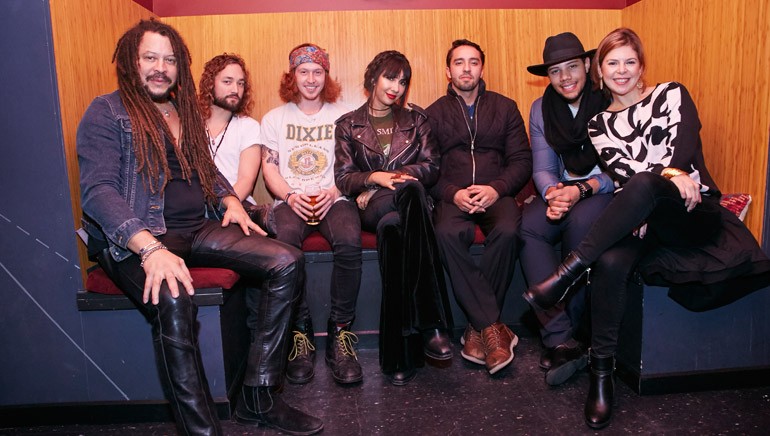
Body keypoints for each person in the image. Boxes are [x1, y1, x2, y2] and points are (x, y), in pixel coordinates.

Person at [77, 19, 322, 435]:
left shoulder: (183, 110)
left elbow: (206, 171)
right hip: (139, 237)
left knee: (286, 260)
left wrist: (228, 199)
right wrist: (149, 249)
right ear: (130, 63)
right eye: (150, 58)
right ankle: (202, 430)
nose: (160, 68)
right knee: (173, 297)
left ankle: (258, 397)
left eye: (169, 60)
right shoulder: (106, 111)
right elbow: (98, 192)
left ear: (180, 66)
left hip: (198, 228)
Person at [524, 27, 770, 429]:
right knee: (611, 260)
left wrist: (672, 173)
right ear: (600, 70)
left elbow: (682, 148)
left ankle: (565, 273)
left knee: (644, 184)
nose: (622, 71)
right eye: (613, 63)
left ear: (642, 66)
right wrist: (654, 190)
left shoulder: (672, 93)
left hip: (692, 210)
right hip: (643, 218)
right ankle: (601, 377)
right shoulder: (599, 126)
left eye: (630, 62)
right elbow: (624, 176)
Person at [334, 50, 453, 386]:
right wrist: (374, 180)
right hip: (372, 205)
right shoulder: (347, 125)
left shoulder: (418, 120)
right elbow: (343, 177)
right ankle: (432, 322)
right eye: (390, 78)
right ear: (373, 78)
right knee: (407, 198)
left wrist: (396, 176)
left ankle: (396, 356)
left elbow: (431, 167)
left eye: (403, 82)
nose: (396, 88)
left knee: (394, 230)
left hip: (407, 209)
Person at [425, 40, 531, 375]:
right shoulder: (433, 114)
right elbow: (428, 169)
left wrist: (496, 188)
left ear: (481, 68)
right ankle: (494, 328)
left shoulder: (505, 107)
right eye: (459, 62)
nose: (466, 68)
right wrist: (452, 193)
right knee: (444, 232)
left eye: (473, 62)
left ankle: (477, 330)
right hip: (453, 195)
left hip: (495, 193)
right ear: (448, 70)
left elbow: (521, 161)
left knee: (510, 229)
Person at [260, 43, 363, 385]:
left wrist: (336, 190)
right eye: (303, 71)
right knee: (285, 245)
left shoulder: (344, 114)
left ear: (326, 75)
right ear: (292, 75)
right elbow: (269, 168)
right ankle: (300, 332)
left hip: (335, 198)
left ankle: (340, 332)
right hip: (292, 201)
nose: (311, 78)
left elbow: (352, 163)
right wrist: (289, 196)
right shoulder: (275, 118)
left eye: (318, 71)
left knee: (350, 240)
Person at [520, 32, 613, 386]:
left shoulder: (608, 100)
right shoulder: (541, 108)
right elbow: (542, 167)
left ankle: (577, 332)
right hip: (563, 190)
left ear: (588, 65)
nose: (566, 78)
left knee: (579, 227)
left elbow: (619, 169)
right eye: (556, 71)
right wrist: (553, 191)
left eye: (572, 67)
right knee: (529, 228)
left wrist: (579, 191)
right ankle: (559, 337)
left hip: (605, 189)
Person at [197, 53, 275, 234]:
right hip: (196, 212)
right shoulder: (189, 125)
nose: (235, 89)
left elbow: (246, 180)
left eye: (240, 83)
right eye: (227, 81)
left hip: (237, 206)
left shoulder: (248, 126)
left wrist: (221, 209)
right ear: (210, 84)